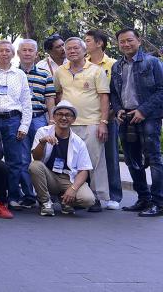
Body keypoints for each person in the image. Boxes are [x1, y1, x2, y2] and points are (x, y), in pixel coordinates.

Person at [109, 28, 163, 216]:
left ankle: (159, 203)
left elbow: (161, 90)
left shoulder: (152, 62)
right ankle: (143, 199)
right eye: (122, 41)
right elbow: (114, 93)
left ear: (139, 41)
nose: (126, 44)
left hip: (149, 117)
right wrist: (118, 109)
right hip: (126, 118)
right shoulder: (117, 66)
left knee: (154, 159)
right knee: (132, 161)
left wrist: (143, 110)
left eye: (129, 40)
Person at [53, 37, 110, 212]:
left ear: (84, 51)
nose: (72, 51)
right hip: (67, 124)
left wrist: (103, 122)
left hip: (91, 122)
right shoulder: (60, 71)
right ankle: (73, 196)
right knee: (70, 162)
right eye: (68, 48)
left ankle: (97, 197)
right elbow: (58, 94)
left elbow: (104, 97)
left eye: (76, 48)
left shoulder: (96, 70)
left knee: (94, 161)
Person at [0, 40, 32, 209]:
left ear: (13, 54)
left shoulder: (20, 74)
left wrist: (24, 125)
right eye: (0, 50)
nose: (4, 53)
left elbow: (26, 102)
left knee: (14, 160)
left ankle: (13, 197)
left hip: (13, 120)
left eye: (8, 51)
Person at [29, 101, 96, 216]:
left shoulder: (78, 142)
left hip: (68, 178)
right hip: (49, 176)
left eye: (67, 115)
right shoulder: (43, 132)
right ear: (54, 117)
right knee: (35, 166)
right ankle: (45, 202)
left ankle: (65, 201)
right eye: (60, 114)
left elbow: (84, 170)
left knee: (88, 199)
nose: (63, 118)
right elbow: (36, 158)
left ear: (73, 119)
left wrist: (73, 189)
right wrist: (42, 142)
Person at [16, 38, 56, 209]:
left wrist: (52, 119)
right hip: (19, 120)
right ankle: (29, 195)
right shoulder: (13, 73)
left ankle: (45, 194)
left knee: (43, 156)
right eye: (24, 50)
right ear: (18, 53)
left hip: (39, 118)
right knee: (23, 158)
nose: (27, 53)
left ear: (36, 54)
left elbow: (50, 98)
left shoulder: (44, 74)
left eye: (30, 50)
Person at [85, 29, 121, 210]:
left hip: (109, 118)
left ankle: (114, 196)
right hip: (88, 119)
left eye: (88, 40)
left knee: (110, 156)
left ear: (99, 43)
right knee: (89, 158)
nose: (85, 44)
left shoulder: (113, 65)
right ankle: (92, 196)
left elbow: (117, 92)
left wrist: (110, 115)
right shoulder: (83, 64)